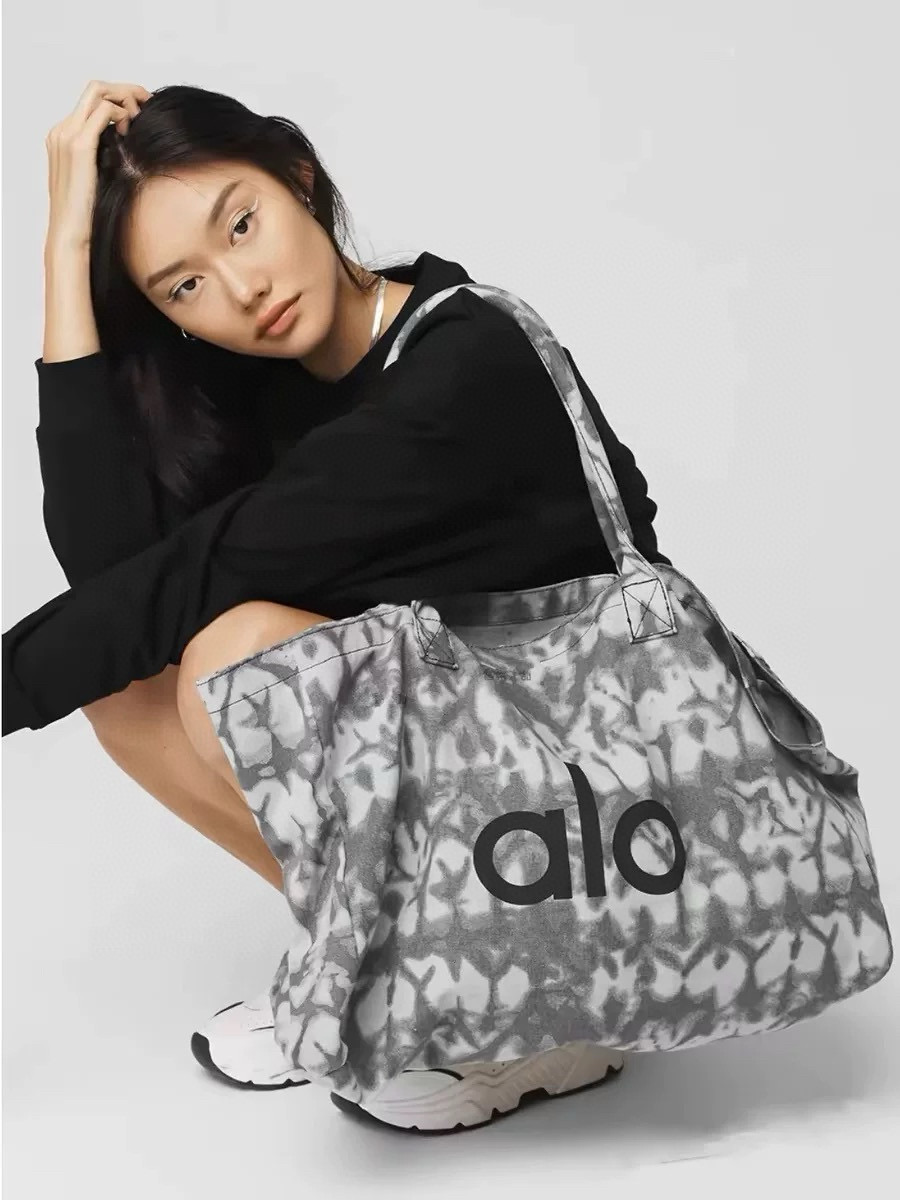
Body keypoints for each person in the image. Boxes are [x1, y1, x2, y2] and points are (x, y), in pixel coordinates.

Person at [3, 80, 670, 1133]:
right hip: (508, 815)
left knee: (233, 654)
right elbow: (116, 584)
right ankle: (385, 986)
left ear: (299, 178)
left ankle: (538, 1019)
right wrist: (63, 255)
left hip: (619, 826)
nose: (242, 287)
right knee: (134, 687)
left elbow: (188, 581)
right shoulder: (269, 392)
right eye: (184, 286)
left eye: (241, 223)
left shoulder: (465, 362)